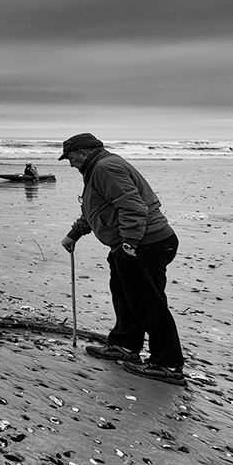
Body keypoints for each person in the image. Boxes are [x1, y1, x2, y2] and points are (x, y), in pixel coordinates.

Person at [58, 133, 186, 385]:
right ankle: (125, 346)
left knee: (148, 304)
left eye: (71, 158)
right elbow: (98, 209)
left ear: (84, 154)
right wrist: (75, 234)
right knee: (125, 295)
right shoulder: (97, 169)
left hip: (146, 244)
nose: (71, 164)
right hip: (132, 244)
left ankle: (168, 364)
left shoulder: (106, 168)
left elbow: (133, 207)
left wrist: (129, 244)